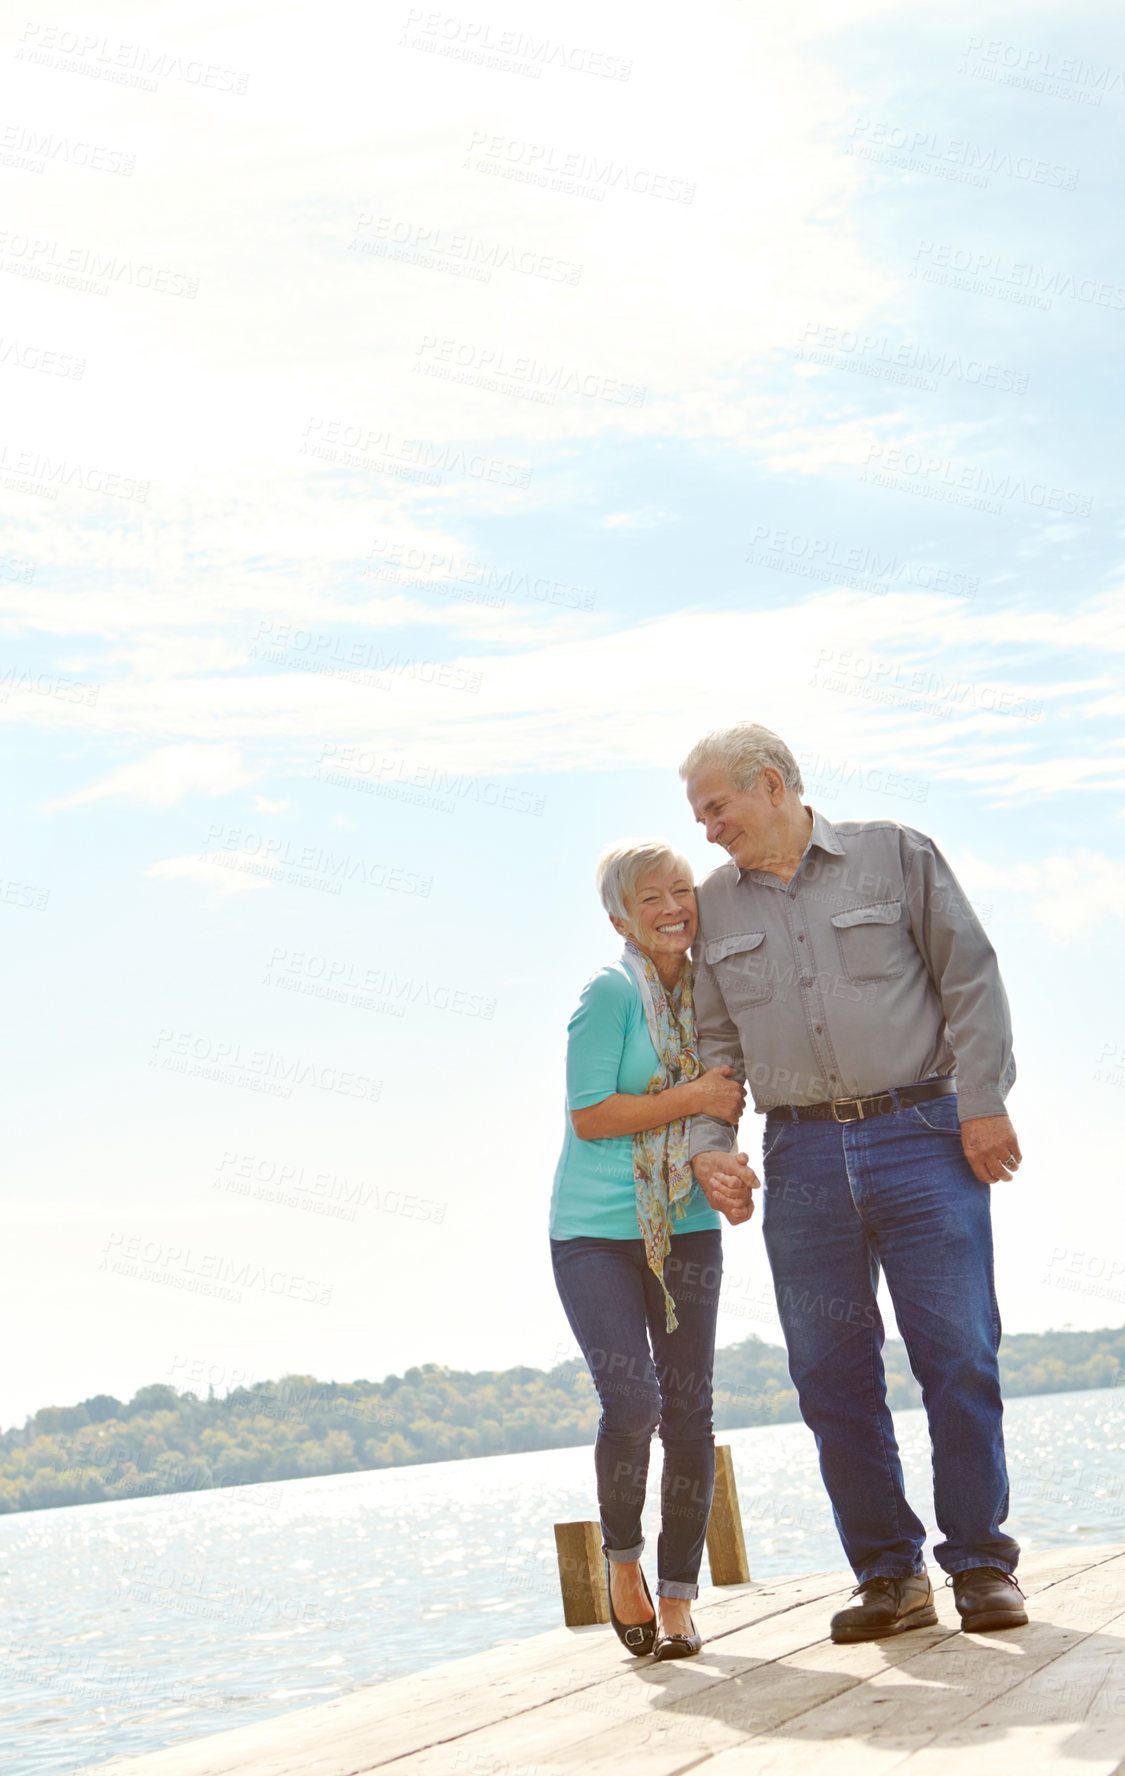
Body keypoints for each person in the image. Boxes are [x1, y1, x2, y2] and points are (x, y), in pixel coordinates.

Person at [680, 722, 1029, 1641]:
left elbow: (971, 979)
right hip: (798, 1159)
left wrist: (983, 1102)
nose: (708, 829)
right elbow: (716, 1047)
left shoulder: (895, 855)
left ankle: (982, 1564)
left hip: (923, 1133)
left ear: (771, 783)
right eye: (700, 815)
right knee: (830, 1377)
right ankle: (889, 1578)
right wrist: (713, 1143)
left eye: (716, 807)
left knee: (956, 1355)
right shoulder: (715, 904)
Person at [549, 838, 751, 1660]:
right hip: (594, 1230)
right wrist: (691, 1096)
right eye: (651, 899)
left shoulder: (713, 993)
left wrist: (720, 1152)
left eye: (681, 891)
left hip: (686, 1226)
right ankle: (622, 1565)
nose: (672, 909)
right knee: (632, 1406)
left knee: (691, 1413)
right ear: (620, 920)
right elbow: (591, 1113)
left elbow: (729, 1097)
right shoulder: (607, 994)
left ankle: (676, 1599)